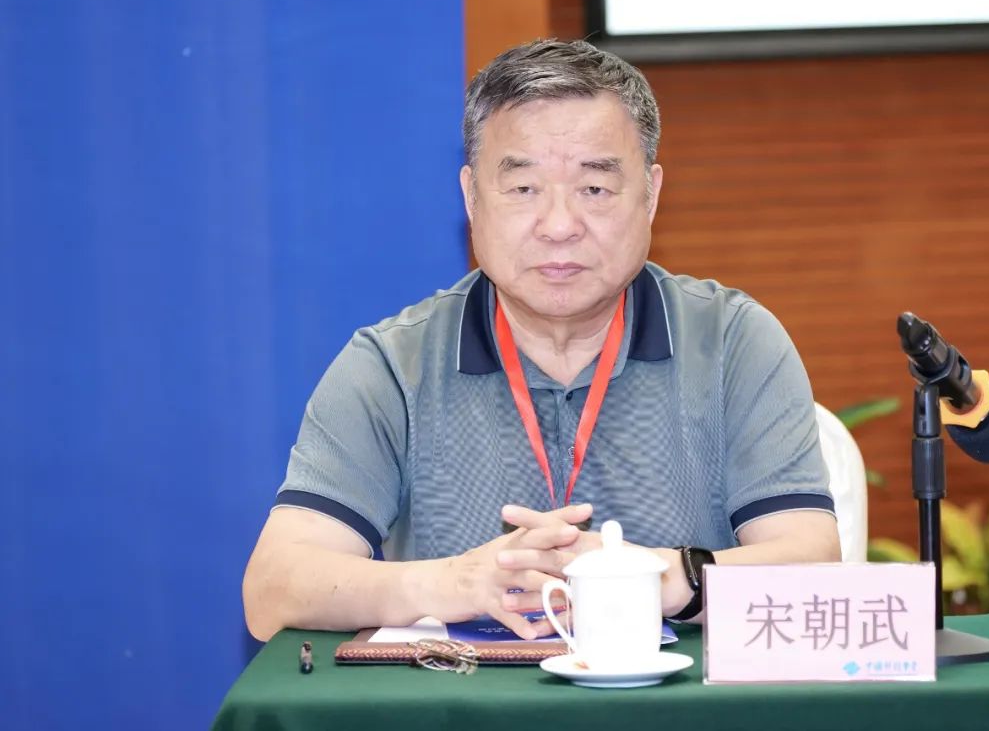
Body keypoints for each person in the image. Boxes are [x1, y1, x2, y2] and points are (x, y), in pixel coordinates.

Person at [242, 39, 840, 643]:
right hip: (459, 695)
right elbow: (273, 589)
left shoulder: (733, 343)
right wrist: (456, 583)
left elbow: (815, 571)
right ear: (471, 197)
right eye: (523, 188)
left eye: (595, 189)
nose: (558, 226)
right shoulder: (394, 367)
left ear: (651, 195)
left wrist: (659, 579)